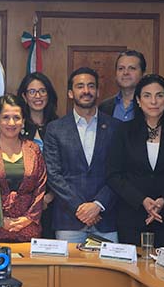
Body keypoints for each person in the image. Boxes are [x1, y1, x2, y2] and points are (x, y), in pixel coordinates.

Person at [106, 74, 164, 247]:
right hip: (132, 217)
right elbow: (113, 175)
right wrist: (141, 200)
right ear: (138, 101)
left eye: (159, 95)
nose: (153, 101)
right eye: (147, 96)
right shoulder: (123, 131)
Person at [44, 68, 121, 243]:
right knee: (67, 271)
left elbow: (119, 172)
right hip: (68, 221)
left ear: (98, 91)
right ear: (71, 93)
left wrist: (98, 205)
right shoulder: (55, 129)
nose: (86, 91)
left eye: (91, 86)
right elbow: (54, 174)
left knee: (109, 270)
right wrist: (79, 208)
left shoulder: (116, 127)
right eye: (80, 86)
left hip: (105, 218)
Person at [0, 94, 47, 242]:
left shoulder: (33, 149)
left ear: (23, 121)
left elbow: (40, 187)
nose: (11, 123)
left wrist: (27, 219)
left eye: (17, 117)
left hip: (27, 230)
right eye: (5, 117)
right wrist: (1, 219)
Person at [17, 72, 59, 237]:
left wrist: (48, 197)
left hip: (54, 202)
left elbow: (65, 167)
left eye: (42, 91)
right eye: (32, 92)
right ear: (24, 96)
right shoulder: (16, 127)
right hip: (23, 204)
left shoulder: (60, 126)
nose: (38, 96)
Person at [98, 50, 164, 122]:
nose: (125, 73)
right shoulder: (104, 107)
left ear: (143, 74)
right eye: (121, 68)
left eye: (132, 68)